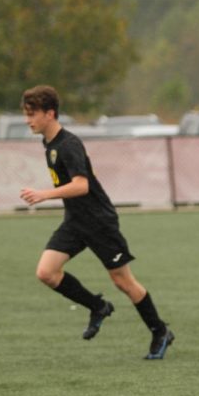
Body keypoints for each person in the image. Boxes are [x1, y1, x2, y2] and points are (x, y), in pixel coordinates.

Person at [19, 85, 174, 360]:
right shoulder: (50, 144)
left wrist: (44, 194)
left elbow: (81, 185)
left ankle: (159, 330)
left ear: (50, 113)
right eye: (26, 114)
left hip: (99, 222)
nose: (27, 120)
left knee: (124, 282)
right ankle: (97, 306)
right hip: (76, 221)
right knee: (46, 273)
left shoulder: (68, 144)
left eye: (32, 114)